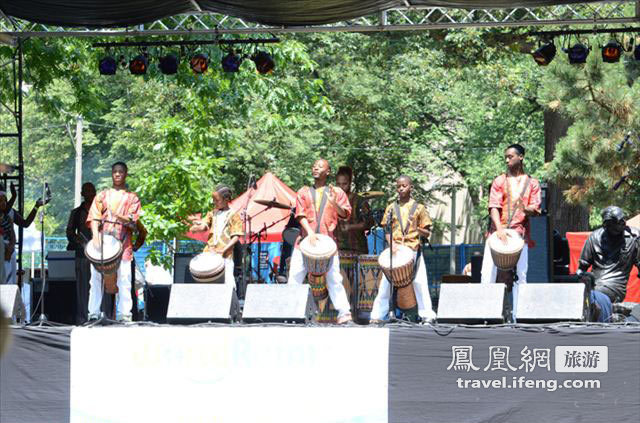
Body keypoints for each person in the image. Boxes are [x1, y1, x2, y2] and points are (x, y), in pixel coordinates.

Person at [288, 159, 353, 324]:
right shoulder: (303, 191)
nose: (315, 167)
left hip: (327, 242)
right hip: (304, 241)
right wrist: (309, 232)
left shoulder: (336, 192)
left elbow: (345, 214)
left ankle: (344, 313)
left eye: (320, 166)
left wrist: (334, 203)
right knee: (295, 277)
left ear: (328, 171)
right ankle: (290, 311)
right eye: (314, 165)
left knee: (334, 278)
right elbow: (300, 214)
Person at [481, 144, 541, 319]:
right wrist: (499, 230)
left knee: (521, 275)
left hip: (519, 234)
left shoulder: (533, 183)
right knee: (487, 273)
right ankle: (487, 314)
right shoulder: (500, 180)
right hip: (497, 233)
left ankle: (519, 315)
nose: (507, 160)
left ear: (521, 157)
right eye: (505, 157)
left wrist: (526, 209)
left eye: (510, 157)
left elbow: (535, 210)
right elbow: (493, 206)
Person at [370, 175, 436, 323]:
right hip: (396, 249)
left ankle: (428, 315)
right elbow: (387, 229)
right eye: (398, 186)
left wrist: (419, 229)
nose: (401, 189)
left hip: (413, 249)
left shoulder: (419, 208)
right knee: (385, 284)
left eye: (404, 186)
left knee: (419, 282)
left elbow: (427, 232)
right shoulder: (391, 208)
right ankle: (377, 316)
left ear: (410, 187)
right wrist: (391, 244)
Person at [87, 162, 141, 322]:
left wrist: (117, 215)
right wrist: (96, 238)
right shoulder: (102, 195)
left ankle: (125, 314)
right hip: (103, 244)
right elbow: (94, 218)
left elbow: (132, 221)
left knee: (124, 279)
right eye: (115, 172)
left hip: (123, 244)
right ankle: (93, 313)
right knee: (95, 279)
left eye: (121, 172)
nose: (117, 174)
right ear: (112, 174)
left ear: (126, 174)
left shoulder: (132, 198)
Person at [578, 206, 640, 322]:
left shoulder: (634, 237)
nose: (623, 223)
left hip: (615, 286)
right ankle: (605, 314)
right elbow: (581, 269)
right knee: (583, 295)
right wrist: (580, 280)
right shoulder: (594, 237)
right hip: (593, 284)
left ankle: (601, 314)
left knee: (594, 296)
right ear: (607, 224)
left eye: (623, 220)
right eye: (619, 222)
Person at [189, 185, 243, 286]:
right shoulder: (212, 213)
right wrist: (196, 226)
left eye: (216, 200)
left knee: (227, 284)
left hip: (225, 255)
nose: (214, 202)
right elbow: (204, 226)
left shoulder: (233, 215)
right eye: (213, 200)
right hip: (210, 252)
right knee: (207, 283)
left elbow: (236, 236)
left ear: (226, 199)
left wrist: (224, 250)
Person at [0, 183, 44, 285]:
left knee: (9, 283)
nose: (3, 202)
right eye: (0, 200)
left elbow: (25, 223)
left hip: (9, 252)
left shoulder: (9, 214)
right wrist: (14, 197)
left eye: (4, 199)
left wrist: (36, 207)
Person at [66, 182, 96, 324]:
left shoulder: (101, 211)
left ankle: (100, 316)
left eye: (92, 191)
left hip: (99, 255)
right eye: (87, 191)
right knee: (82, 288)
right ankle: (83, 319)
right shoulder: (76, 213)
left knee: (99, 286)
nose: (90, 193)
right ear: (82, 194)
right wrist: (77, 240)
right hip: (82, 255)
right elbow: (69, 232)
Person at [334, 166, 373, 255]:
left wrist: (350, 227)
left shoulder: (359, 200)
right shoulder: (332, 200)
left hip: (356, 247)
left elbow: (369, 223)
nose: (341, 187)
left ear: (350, 183)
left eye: (344, 184)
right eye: (338, 184)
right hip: (336, 248)